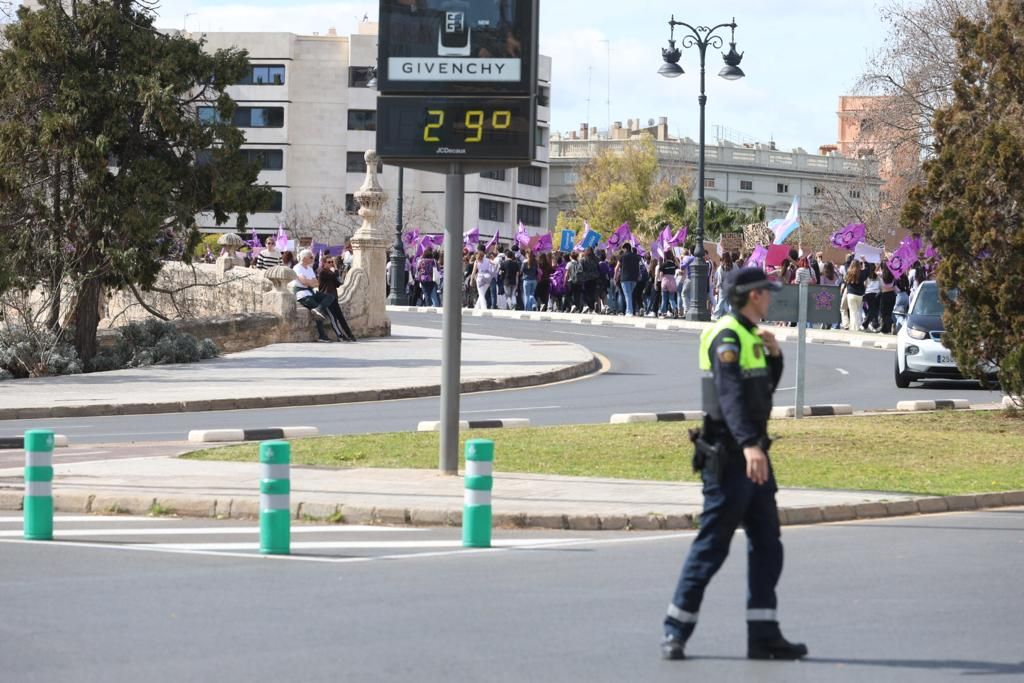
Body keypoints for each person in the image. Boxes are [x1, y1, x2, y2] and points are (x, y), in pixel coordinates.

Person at [662, 267, 807, 662]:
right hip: (730, 456)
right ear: (752, 295)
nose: (771, 296)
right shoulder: (727, 335)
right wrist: (748, 446)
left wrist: (775, 355)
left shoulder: (750, 335)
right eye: (766, 291)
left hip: (752, 453)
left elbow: (763, 389)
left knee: (768, 546)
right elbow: (729, 397)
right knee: (712, 547)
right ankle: (675, 630)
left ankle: (763, 635)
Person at [290, 249, 339, 342]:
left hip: (310, 292)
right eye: (311, 257)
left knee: (330, 297)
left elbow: (316, 283)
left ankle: (318, 308)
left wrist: (309, 282)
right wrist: (309, 282)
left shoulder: (309, 268)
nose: (313, 259)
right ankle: (322, 335)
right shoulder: (297, 268)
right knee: (318, 312)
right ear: (304, 258)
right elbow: (303, 282)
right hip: (302, 294)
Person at [316, 256, 358, 341]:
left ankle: (349, 334)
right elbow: (333, 275)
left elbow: (338, 283)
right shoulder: (322, 272)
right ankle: (340, 335)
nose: (331, 263)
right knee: (333, 318)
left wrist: (335, 271)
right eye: (329, 262)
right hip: (326, 298)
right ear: (324, 263)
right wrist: (335, 269)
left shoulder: (330, 273)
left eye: (332, 262)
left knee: (340, 317)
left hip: (334, 297)